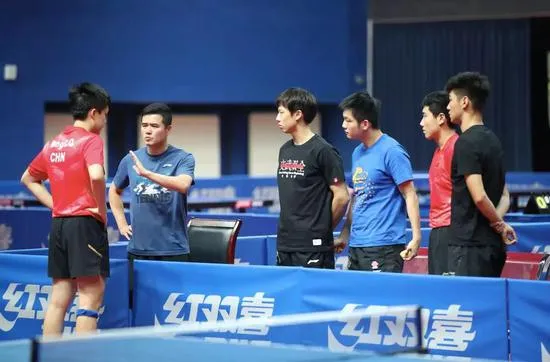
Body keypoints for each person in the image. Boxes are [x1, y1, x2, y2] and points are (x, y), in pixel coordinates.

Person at [20, 82, 111, 336]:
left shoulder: (54, 143)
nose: (104, 122)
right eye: (105, 115)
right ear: (94, 113)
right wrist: (99, 208)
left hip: (59, 224)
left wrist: (55, 204)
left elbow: (27, 178)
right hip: (84, 224)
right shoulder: (91, 141)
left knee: (59, 298)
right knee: (90, 297)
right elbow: (96, 175)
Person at [337, 91, 421, 272]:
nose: (343, 125)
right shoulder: (357, 153)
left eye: (348, 120)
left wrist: (416, 237)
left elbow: (410, 194)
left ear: (365, 124)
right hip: (357, 244)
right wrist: (345, 233)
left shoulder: (392, 151)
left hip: (385, 246)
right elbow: (357, 196)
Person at [445, 71, 516, 277]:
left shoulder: (466, 142)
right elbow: (505, 197)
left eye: (450, 100)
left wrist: (499, 224)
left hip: (469, 248)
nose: (448, 106)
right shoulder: (493, 140)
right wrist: (497, 221)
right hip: (492, 246)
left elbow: (479, 195)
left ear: (464, 102)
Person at [109, 103, 195, 262]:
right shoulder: (130, 159)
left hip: (173, 250)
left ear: (168, 129)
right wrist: (121, 224)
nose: (148, 131)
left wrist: (147, 174)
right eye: (144, 125)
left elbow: (183, 185)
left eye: (154, 126)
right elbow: (114, 190)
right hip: (138, 249)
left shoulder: (183, 158)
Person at [275, 87, 350, 269]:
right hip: (285, 244)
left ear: (298, 114)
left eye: (281, 112)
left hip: (313, 246)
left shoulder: (323, 151)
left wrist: (321, 228)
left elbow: (342, 197)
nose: (277, 118)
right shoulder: (285, 150)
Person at [420, 91, 459, 275]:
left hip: (453, 232)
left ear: (441, 118)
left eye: (425, 116)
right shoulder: (438, 151)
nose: (421, 123)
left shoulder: (457, 148)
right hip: (437, 231)